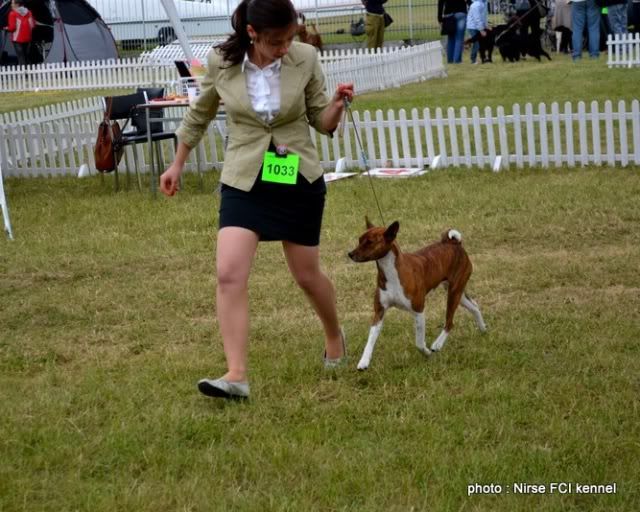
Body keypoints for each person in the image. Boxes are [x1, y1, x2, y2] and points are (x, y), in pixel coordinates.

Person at [160, 0, 354, 400]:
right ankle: (236, 375)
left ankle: (334, 336)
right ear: (252, 33)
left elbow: (321, 120)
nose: (285, 48)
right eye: (276, 41)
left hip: (296, 176)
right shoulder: (221, 61)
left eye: (290, 39)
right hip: (244, 176)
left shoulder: (306, 58)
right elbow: (199, 114)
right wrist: (177, 164)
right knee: (229, 273)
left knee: (307, 276)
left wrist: (336, 106)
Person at [3, 0, 35, 66]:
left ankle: (23, 71)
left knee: (21, 58)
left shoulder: (13, 13)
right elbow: (32, 25)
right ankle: (29, 70)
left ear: (17, 4)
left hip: (17, 39)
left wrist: (6, 28)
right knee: (26, 56)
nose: (11, 5)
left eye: (12, 3)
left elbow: (12, 28)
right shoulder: (29, 12)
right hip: (28, 38)